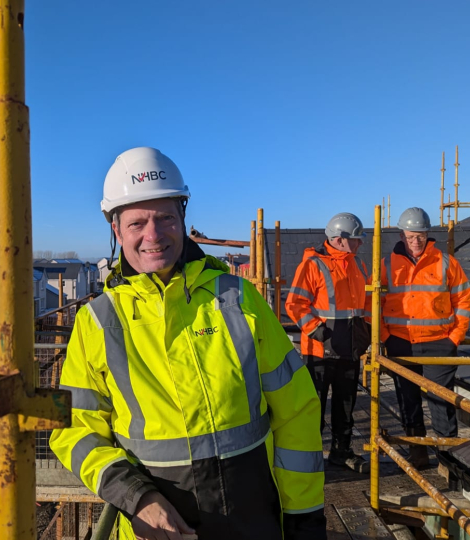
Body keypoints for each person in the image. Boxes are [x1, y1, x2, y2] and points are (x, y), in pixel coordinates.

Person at [49, 147, 326, 540]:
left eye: (164, 218)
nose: (153, 235)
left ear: (182, 217)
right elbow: (71, 429)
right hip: (155, 529)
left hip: (254, 523)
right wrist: (136, 497)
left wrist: (304, 515)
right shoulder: (98, 321)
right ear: (116, 230)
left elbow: (297, 410)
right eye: (137, 223)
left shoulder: (239, 300)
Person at [377, 207, 470, 468]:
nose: (416, 241)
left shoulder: (446, 263)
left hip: (439, 342)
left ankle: (447, 457)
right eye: (410, 236)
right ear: (401, 235)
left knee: (441, 400)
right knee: (408, 400)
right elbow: (374, 303)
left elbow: (463, 300)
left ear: (428, 234)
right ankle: (417, 451)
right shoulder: (386, 264)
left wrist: (455, 337)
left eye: (420, 235)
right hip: (401, 341)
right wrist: (386, 337)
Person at [285, 212, 370, 473]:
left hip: (349, 348)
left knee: (346, 404)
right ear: (339, 239)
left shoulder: (358, 265)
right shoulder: (312, 265)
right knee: (314, 407)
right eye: (356, 239)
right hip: (320, 351)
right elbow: (295, 304)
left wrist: (366, 330)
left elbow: (364, 304)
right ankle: (310, 456)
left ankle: (341, 451)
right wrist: (317, 330)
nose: (360, 243)